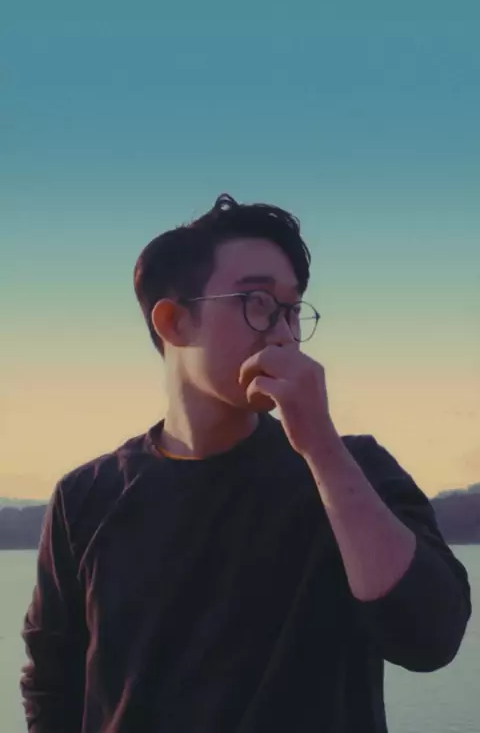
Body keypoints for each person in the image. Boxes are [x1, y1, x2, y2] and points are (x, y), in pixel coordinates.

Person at [20, 193, 471, 733]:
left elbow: (431, 638)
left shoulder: (354, 469)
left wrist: (321, 446)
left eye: (292, 309)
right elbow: (51, 684)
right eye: (257, 301)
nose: (282, 331)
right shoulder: (85, 497)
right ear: (174, 322)